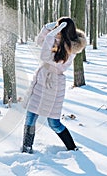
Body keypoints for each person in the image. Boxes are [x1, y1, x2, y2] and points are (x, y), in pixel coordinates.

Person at [22, 17, 86, 154]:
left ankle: (72, 148)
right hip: (41, 80)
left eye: (58, 27)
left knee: (54, 122)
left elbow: (45, 57)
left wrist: (50, 35)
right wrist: (46, 28)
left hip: (53, 84)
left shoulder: (72, 48)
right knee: (31, 116)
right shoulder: (57, 40)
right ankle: (26, 148)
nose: (56, 30)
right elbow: (40, 41)